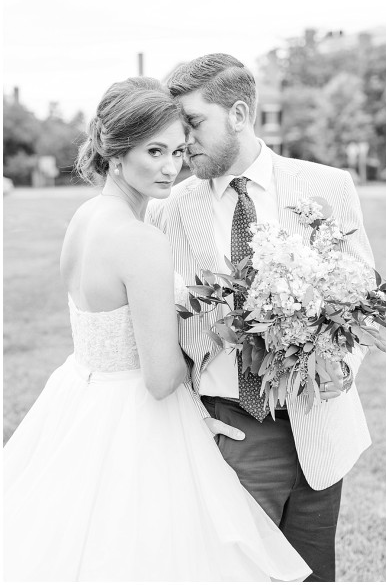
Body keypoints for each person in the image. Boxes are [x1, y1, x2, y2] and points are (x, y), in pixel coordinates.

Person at [2, 77, 310, 582]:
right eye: (155, 152)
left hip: (80, 399)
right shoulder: (140, 240)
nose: (172, 167)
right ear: (114, 151)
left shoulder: (84, 218)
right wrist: (219, 339)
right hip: (136, 422)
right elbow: (160, 377)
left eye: (179, 152)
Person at [147, 53, 375, 582]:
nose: (184, 143)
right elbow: (161, 331)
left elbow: (360, 289)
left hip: (321, 426)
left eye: (194, 123)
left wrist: (344, 364)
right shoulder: (170, 210)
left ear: (240, 114)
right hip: (232, 432)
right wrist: (197, 422)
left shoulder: (327, 186)